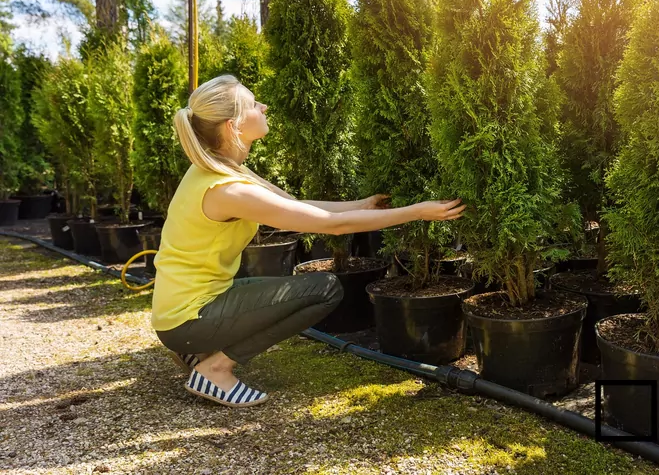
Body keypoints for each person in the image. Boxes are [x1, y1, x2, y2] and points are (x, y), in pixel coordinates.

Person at [151, 75, 466, 408]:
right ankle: (215, 369)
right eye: (253, 104)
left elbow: (297, 206)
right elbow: (333, 226)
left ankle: (197, 350)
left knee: (277, 292)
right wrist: (417, 212)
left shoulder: (219, 169)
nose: (263, 106)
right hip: (188, 318)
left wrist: (361, 205)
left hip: (180, 313)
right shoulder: (230, 189)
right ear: (234, 126)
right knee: (324, 290)